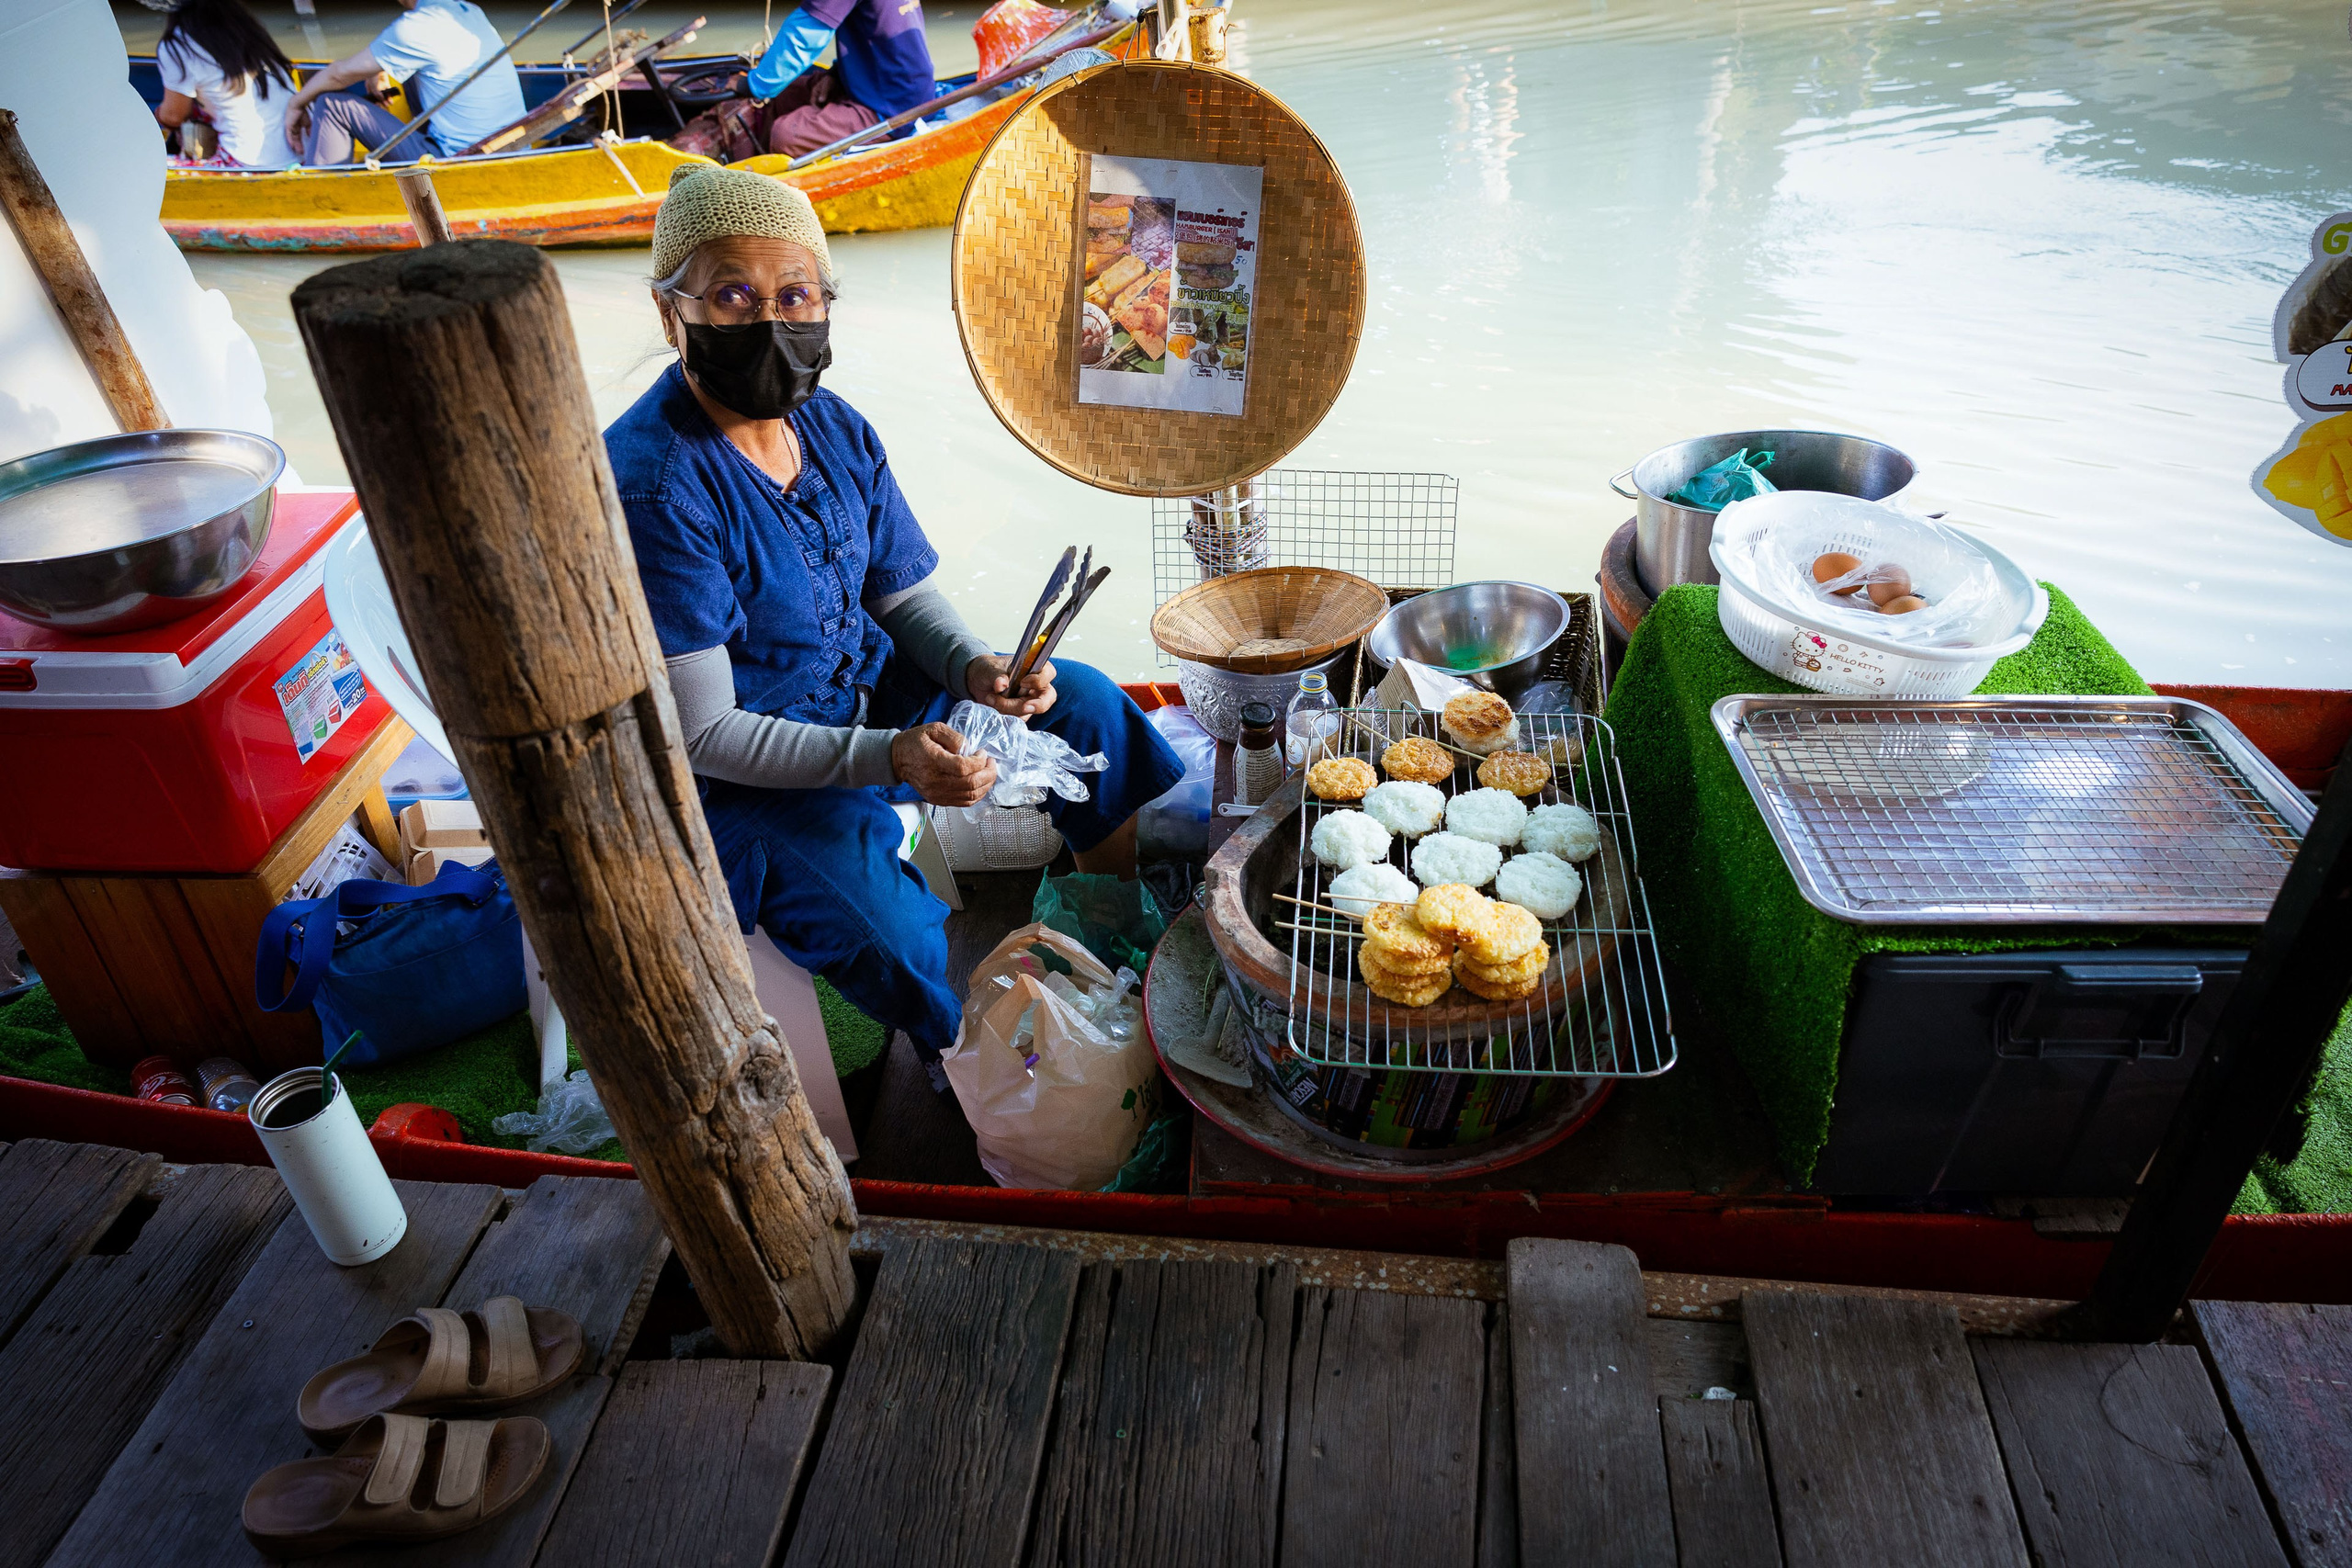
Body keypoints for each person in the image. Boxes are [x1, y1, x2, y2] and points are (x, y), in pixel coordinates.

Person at [604, 166, 1183, 1069]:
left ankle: (1112, 937)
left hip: (870, 693)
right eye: (732, 296)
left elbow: (900, 595)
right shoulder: (654, 483)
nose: (770, 320)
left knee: (1087, 704)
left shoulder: (832, 426)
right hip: (742, 779)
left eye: (795, 294)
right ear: (669, 311)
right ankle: (973, 1069)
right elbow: (704, 732)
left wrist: (974, 669)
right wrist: (890, 757)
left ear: (824, 302)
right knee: (895, 936)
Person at [280, 0, 525, 166]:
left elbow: (338, 75)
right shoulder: (469, 10)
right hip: (516, 147)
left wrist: (296, 103)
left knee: (331, 104)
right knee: (413, 74)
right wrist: (378, 68)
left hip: (460, 160)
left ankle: (319, 198)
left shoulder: (415, 27)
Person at [741, 0, 938, 157]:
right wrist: (836, 75)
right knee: (787, 93)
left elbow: (805, 35)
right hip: (901, 86)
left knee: (785, 136)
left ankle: (762, 184)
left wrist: (750, 85)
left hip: (893, 106)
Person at [150, 0, 300, 170]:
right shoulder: (246, 27)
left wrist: (159, 115)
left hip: (246, 162)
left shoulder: (177, 44)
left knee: (150, 167)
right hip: (300, 155)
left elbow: (173, 116)